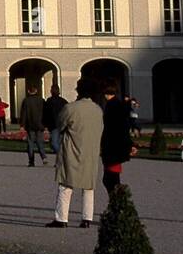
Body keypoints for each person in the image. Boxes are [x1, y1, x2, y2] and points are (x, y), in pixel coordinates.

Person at [48, 79, 104, 228]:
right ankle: (87, 218)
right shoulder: (97, 109)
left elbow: (60, 125)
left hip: (72, 149)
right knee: (88, 187)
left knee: (66, 185)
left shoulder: (71, 108)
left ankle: (61, 218)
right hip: (91, 151)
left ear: (78, 91)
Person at [100, 82, 136, 196]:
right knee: (112, 177)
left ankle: (117, 201)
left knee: (110, 179)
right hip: (116, 145)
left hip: (112, 146)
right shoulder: (117, 104)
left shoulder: (112, 106)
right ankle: (117, 201)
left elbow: (117, 128)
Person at [20, 86, 47, 167]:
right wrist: (45, 123)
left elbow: (23, 114)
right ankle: (43, 157)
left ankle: (31, 161)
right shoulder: (41, 100)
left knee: (30, 143)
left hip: (30, 124)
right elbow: (45, 112)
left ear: (28, 91)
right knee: (40, 141)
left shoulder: (26, 101)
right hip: (40, 124)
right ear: (36, 91)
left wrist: (22, 124)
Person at [42, 86, 65, 155]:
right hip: (60, 124)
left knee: (54, 143)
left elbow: (45, 113)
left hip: (55, 124)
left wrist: (45, 123)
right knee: (56, 142)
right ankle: (60, 159)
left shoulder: (49, 101)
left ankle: (62, 156)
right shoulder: (63, 101)